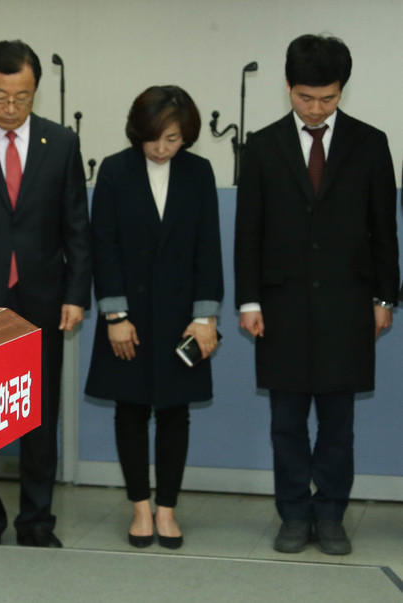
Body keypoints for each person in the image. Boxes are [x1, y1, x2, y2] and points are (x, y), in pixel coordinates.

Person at [235, 34, 398, 556]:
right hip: (280, 308)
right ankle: (292, 513)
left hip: (348, 306)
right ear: (288, 86)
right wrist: (249, 300)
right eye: (306, 97)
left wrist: (384, 299)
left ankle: (330, 514)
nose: (316, 108)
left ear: (341, 91)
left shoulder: (370, 144)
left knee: (337, 424)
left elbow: (384, 230)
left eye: (327, 98)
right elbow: (249, 233)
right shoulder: (261, 146)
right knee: (286, 422)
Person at [0, 39, 91, 549]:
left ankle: (37, 520)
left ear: (35, 93)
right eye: (0, 96)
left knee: (40, 415)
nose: (10, 108)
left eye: (21, 97)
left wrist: (76, 294)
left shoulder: (61, 143)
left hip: (42, 299)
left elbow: (77, 227)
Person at [85, 86, 223, 550]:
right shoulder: (115, 171)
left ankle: (167, 509)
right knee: (130, 410)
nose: (164, 149)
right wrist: (115, 315)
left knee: (175, 413)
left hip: (182, 317)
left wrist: (206, 318)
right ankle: (140, 508)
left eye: (174, 139)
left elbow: (209, 248)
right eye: (156, 139)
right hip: (130, 315)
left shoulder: (199, 172)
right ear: (137, 132)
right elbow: (102, 245)